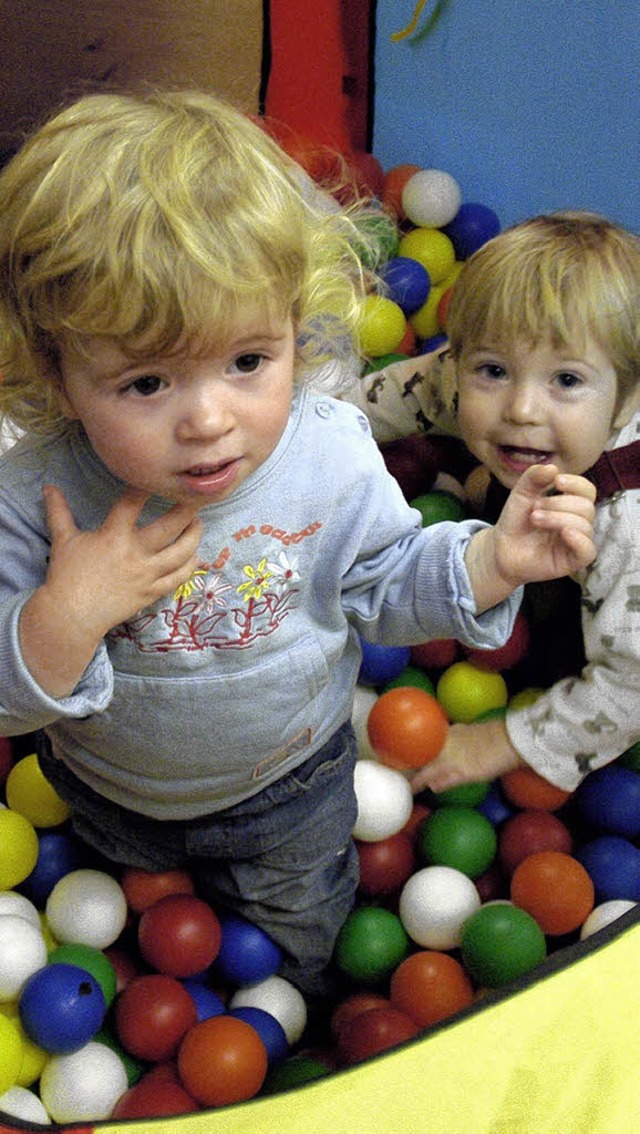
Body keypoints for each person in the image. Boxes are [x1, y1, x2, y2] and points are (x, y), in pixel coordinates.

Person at [0, 93, 596, 997]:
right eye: (148, 381)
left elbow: (389, 579)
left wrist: (491, 561)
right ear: (57, 372)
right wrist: (67, 613)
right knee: (131, 952)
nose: (209, 420)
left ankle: (302, 1011)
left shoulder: (326, 453)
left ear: (295, 326)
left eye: (248, 362)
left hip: (292, 790)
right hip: (109, 793)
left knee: (304, 946)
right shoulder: (36, 498)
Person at [351, 211, 640, 797]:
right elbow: (359, 407)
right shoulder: (458, 381)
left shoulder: (627, 519)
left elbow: (632, 682)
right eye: (493, 370)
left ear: (627, 394)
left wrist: (501, 741)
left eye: (566, 381)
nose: (522, 409)